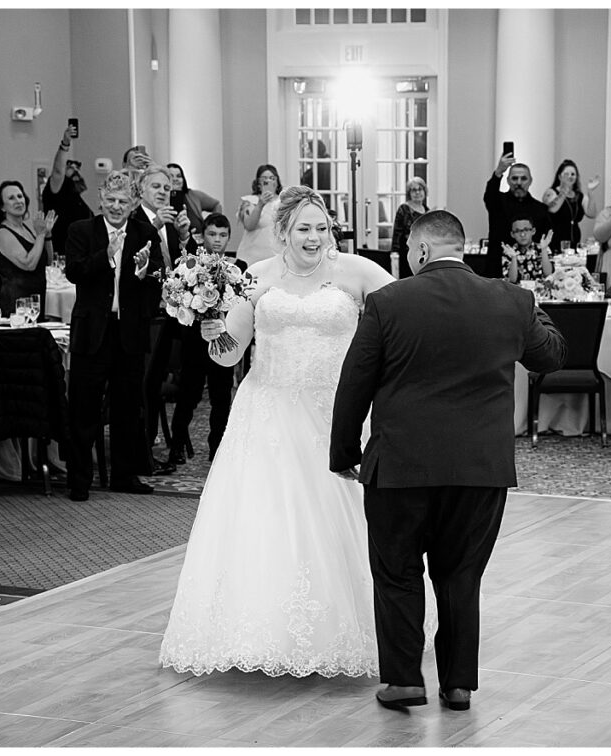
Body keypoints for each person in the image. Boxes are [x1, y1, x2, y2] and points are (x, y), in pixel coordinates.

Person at [329, 209, 567, 712]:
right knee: (461, 574)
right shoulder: (511, 300)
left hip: (399, 467)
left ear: (418, 251)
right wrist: (529, 306)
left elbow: (356, 382)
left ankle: (403, 680)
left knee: (397, 573)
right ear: (461, 248)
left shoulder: (388, 302)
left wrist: (344, 452)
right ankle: (458, 684)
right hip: (480, 469)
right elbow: (552, 356)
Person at [159, 186, 399, 678]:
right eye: (304, 229)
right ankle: (262, 636)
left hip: (335, 413)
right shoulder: (258, 278)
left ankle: (358, 631)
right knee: (266, 523)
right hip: (266, 413)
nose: (315, 237)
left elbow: (401, 319)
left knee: (342, 521)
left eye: (322, 227)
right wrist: (212, 330)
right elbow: (229, 354)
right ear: (282, 232)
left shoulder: (358, 273)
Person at [64, 170, 163, 501]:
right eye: (110, 200)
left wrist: (143, 270)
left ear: (133, 203)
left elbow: (157, 283)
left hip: (129, 332)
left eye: (123, 201)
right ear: (100, 199)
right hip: (92, 331)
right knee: (83, 409)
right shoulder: (82, 230)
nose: (116, 207)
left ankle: (124, 474)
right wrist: (105, 255)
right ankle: (79, 480)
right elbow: (74, 272)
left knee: (128, 408)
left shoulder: (146, 233)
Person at [131, 163, 195, 472]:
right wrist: (156, 224)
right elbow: (134, 259)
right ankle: (141, 453)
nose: (162, 192)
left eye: (166, 188)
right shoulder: (136, 220)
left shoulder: (168, 222)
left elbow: (182, 266)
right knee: (144, 386)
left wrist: (183, 238)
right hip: (144, 315)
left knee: (157, 384)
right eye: (156, 187)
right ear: (141, 190)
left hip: (167, 316)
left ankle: (152, 446)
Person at [163, 213, 237, 466]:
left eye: (222, 235)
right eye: (212, 234)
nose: (217, 240)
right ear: (203, 236)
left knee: (221, 397)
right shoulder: (192, 266)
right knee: (188, 396)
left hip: (223, 341)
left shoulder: (238, 269)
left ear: (229, 237)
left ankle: (218, 448)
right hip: (194, 342)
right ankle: (177, 446)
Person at [0, 180, 55, 318]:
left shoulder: (25, 229)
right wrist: (41, 235)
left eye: (20, 196)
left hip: (35, 301)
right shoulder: (3, 233)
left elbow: (47, 261)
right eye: (11, 198)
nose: (18, 201)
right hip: (16, 304)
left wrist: (47, 235)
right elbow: (28, 264)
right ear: (2, 207)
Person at [483, 151, 551, 279]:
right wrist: (498, 172)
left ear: (530, 181)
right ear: (508, 180)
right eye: (514, 178)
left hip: (532, 275)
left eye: (523, 178)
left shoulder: (540, 209)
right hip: (497, 270)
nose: (519, 182)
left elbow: (544, 242)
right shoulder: (498, 203)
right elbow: (490, 195)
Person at [43, 123, 92, 257]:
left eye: (77, 167)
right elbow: (58, 171)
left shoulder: (75, 197)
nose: (75, 170)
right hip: (62, 254)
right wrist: (65, 144)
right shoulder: (56, 190)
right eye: (70, 167)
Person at [541, 159, 601, 254]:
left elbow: (592, 214)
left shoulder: (579, 196)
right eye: (566, 174)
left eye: (573, 174)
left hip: (574, 241)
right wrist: (564, 191)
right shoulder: (551, 192)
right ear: (559, 176)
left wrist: (591, 192)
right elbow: (552, 209)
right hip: (555, 240)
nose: (570, 176)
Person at [236, 164, 283, 267]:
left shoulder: (284, 202)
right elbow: (249, 225)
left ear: (277, 182)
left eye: (272, 178)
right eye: (264, 179)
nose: (269, 181)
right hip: (252, 257)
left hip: (276, 256)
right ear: (258, 183)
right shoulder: (249, 201)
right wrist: (260, 204)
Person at [166, 162, 222, 239]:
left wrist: (212, 227)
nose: (175, 179)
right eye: (171, 176)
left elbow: (216, 205)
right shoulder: (162, 197)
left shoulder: (193, 195)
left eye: (179, 176)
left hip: (198, 243)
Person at [390, 177, 429, 279]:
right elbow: (397, 233)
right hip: (407, 254)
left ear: (424, 191)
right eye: (413, 190)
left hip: (424, 256)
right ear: (409, 193)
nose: (417, 192)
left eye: (420, 189)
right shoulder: (404, 209)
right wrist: (394, 253)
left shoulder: (427, 211)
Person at [503, 217, 553, 284]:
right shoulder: (509, 251)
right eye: (517, 231)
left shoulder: (542, 247)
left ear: (533, 231)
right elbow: (512, 280)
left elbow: (548, 273)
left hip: (540, 291)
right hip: (518, 291)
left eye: (526, 230)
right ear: (512, 234)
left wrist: (543, 250)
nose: (522, 234)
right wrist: (514, 257)